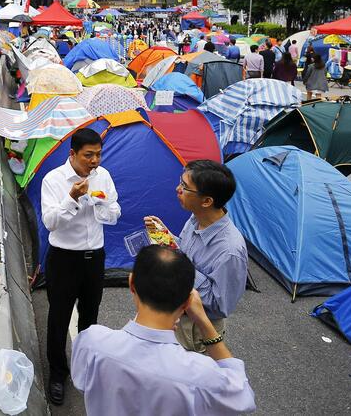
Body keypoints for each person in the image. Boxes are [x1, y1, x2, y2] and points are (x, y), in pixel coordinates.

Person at [71, 245, 257, 415]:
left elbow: (82, 382)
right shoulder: (199, 373)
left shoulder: (92, 342)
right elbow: (242, 396)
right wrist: (203, 321)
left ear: (131, 283)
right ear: (187, 302)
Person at [40, 128, 121, 405]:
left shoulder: (104, 176)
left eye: (98, 154)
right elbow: (50, 222)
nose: (94, 161)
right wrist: (72, 199)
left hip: (94, 257)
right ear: (73, 154)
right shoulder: (54, 179)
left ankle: (86, 366)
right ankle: (57, 373)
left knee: (90, 316)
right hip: (64, 258)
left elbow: (114, 215)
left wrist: (101, 204)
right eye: (89, 155)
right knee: (59, 317)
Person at [146, 160, 247, 353]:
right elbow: (182, 249)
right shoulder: (196, 218)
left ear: (207, 201)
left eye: (185, 187)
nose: (178, 189)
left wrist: (181, 265)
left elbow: (220, 305)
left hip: (195, 331)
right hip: (175, 315)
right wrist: (165, 237)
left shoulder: (230, 250)